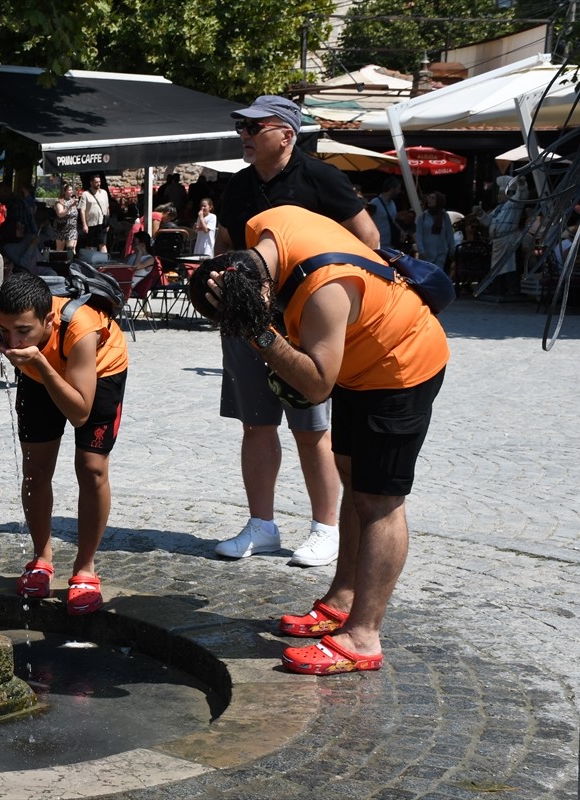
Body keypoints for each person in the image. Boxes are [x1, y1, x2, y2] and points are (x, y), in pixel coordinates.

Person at [191, 205, 448, 675]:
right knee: (351, 475)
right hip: (360, 364)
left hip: (401, 366)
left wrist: (260, 335)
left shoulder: (323, 292)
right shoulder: (267, 223)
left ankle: (363, 636)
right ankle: (343, 598)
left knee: (379, 499)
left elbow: (316, 386)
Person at [214, 94, 379, 569]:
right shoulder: (239, 187)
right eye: (240, 128)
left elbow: (368, 240)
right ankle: (261, 526)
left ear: (286, 133)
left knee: (312, 429)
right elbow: (226, 246)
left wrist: (334, 300)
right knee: (256, 425)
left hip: (306, 322)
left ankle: (325, 528)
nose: (242, 135)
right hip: (249, 321)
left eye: (253, 128)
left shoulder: (320, 177)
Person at [0, 271, 129, 616]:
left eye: (23, 331)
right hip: (39, 372)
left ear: (48, 318)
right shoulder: (4, 314)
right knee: (35, 470)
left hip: (100, 371)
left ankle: (85, 568)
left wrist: (38, 362)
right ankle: (41, 558)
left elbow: (80, 412)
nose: (14, 340)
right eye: (7, 331)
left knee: (92, 468)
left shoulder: (81, 329)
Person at [415, 191, 455, 271]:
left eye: (433, 198)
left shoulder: (444, 216)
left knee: (437, 275)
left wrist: (452, 250)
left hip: (440, 254)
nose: (429, 200)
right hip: (425, 255)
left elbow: (449, 234)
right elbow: (419, 235)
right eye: (428, 198)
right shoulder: (423, 217)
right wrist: (421, 250)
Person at [369, 178, 403, 249]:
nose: (399, 191)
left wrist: (401, 231)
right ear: (392, 189)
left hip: (391, 246)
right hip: (378, 245)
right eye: (398, 188)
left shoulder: (393, 203)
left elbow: (393, 221)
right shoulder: (374, 203)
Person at [80, 174, 110, 253]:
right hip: (91, 223)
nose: (98, 184)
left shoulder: (104, 193)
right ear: (91, 183)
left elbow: (107, 208)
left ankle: (104, 262)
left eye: (99, 182)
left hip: (102, 223)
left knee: (102, 244)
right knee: (90, 245)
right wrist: (84, 225)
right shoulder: (85, 194)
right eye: (96, 182)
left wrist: (107, 223)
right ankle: (89, 261)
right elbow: (82, 210)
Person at [53, 183, 82, 253]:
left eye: (72, 190)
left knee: (71, 250)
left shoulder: (74, 201)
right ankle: (59, 263)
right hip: (61, 229)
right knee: (59, 251)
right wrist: (70, 206)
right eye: (69, 190)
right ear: (64, 191)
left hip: (72, 230)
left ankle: (71, 263)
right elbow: (60, 214)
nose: (71, 191)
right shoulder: (59, 202)